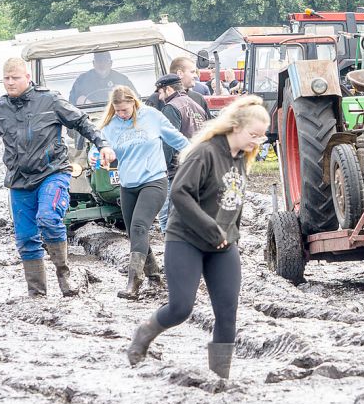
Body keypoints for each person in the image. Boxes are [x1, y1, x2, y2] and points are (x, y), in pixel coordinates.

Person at [125, 96, 270, 379]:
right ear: (235, 127)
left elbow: (233, 201)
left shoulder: (241, 158)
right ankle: (144, 334)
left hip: (223, 245)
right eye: (253, 135)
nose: (257, 142)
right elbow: (179, 193)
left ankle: (220, 380)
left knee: (228, 315)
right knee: (181, 308)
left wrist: (232, 236)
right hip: (187, 240)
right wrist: (210, 228)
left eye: (261, 137)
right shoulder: (205, 152)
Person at [0, 57, 116, 297]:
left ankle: (65, 277)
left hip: (52, 172)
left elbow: (82, 122)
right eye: (6, 79)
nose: (10, 83)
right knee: (25, 237)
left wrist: (102, 144)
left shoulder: (50, 99)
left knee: (49, 219)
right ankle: (37, 292)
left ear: (28, 78)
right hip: (19, 179)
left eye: (15, 78)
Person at [91, 85, 190, 299]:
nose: (121, 114)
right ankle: (154, 276)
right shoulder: (111, 125)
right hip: (128, 185)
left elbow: (176, 139)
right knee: (133, 232)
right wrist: (97, 156)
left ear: (134, 103)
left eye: (125, 110)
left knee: (139, 226)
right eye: (117, 111)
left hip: (154, 180)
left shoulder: (151, 116)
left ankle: (133, 283)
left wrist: (198, 151)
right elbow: (98, 147)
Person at [155, 74, 209, 232]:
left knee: (167, 217)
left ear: (169, 89)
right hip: (198, 168)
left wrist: (161, 167)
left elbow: (168, 141)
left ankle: (172, 252)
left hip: (177, 170)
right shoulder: (196, 106)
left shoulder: (171, 107)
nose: (159, 96)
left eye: (160, 92)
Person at [69, 51, 137, 106]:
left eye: (105, 61)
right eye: (99, 61)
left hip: (118, 114)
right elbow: (71, 103)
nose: (102, 64)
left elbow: (135, 98)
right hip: (89, 117)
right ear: (93, 63)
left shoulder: (122, 80)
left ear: (111, 63)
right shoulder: (82, 80)